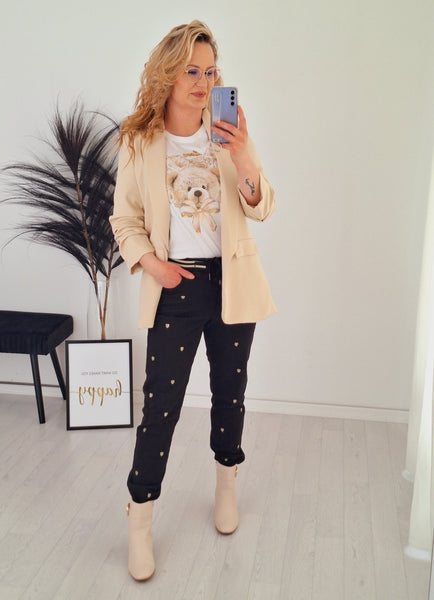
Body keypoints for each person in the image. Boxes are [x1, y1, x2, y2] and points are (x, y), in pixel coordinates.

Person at [110, 20, 276, 582]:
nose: (204, 82)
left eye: (210, 71)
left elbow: (261, 206)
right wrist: (154, 265)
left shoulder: (227, 134)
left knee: (231, 393)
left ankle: (226, 485)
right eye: (192, 71)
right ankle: (139, 519)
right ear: (168, 74)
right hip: (175, 287)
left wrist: (245, 155)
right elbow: (124, 220)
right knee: (161, 405)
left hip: (232, 283)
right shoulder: (139, 141)